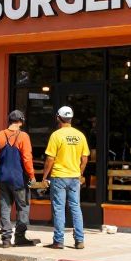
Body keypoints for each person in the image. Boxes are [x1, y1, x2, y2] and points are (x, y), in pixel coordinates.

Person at [42, 105, 90, 249]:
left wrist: (45, 176)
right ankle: (79, 240)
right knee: (76, 207)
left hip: (59, 177)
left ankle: (58, 241)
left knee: (59, 209)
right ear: (71, 118)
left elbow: (50, 159)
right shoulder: (80, 135)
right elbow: (85, 159)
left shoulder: (56, 135)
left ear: (58, 118)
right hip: (74, 177)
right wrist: (80, 173)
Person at [0, 109, 37, 248]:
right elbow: (27, 158)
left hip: (3, 178)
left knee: (5, 208)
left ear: (9, 121)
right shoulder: (23, 136)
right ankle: (20, 236)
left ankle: (6, 239)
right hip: (19, 179)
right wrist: (32, 175)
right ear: (21, 121)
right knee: (23, 207)